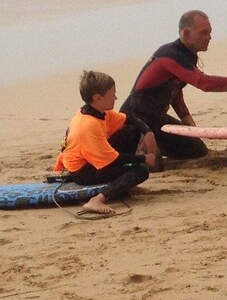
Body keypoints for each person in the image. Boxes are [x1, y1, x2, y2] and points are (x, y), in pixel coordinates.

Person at [121, 10, 227, 160]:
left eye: (210, 32)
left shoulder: (188, 55)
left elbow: (175, 89)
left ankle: (159, 149)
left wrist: (185, 116)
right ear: (187, 34)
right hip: (134, 121)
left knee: (197, 150)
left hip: (156, 118)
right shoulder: (170, 55)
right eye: (204, 33)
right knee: (152, 164)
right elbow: (204, 83)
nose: (209, 37)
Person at [55, 71, 158, 215]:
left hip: (94, 160)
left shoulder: (99, 111)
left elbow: (129, 118)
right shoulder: (88, 125)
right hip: (82, 171)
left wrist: (148, 132)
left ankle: (124, 185)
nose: (116, 97)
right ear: (98, 98)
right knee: (140, 171)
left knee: (131, 131)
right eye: (112, 94)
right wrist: (144, 158)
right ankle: (97, 200)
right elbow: (113, 160)